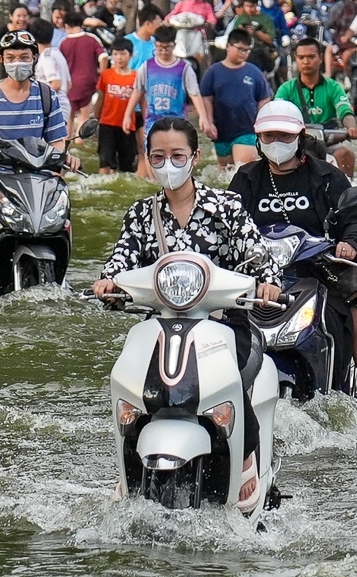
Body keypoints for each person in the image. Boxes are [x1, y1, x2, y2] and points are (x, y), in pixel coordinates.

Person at [91, 117, 282, 513]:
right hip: (160, 324)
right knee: (130, 380)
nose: (168, 164)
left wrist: (266, 283)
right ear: (148, 159)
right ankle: (127, 467)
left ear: (195, 157)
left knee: (237, 376)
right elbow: (120, 262)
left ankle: (245, 459)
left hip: (226, 323)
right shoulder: (142, 215)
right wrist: (108, 284)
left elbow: (259, 258)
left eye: (177, 155)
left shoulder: (225, 207)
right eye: (158, 156)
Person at [229, 101, 357, 408]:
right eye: (269, 136)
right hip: (258, 275)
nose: (276, 143)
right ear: (258, 138)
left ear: (300, 136)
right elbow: (228, 224)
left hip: (318, 270)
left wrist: (350, 243)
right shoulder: (246, 178)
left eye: (284, 136)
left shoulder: (327, 177)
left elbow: (352, 218)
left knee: (352, 312)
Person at [0, 30, 69, 290]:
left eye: (24, 56)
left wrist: (61, 162)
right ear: (1, 59)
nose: (18, 62)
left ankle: (62, 272)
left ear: (34, 58)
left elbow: (57, 140)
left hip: (38, 170)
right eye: (11, 57)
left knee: (63, 202)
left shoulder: (46, 96)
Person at [124, 27, 214, 180]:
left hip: (176, 122)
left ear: (174, 45)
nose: (163, 51)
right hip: (153, 121)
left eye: (167, 47)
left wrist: (203, 118)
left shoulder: (184, 68)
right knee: (152, 158)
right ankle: (155, 184)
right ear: (155, 45)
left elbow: (194, 94)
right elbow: (137, 91)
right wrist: (127, 115)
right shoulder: (147, 67)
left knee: (176, 157)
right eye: (159, 47)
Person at [273, 37, 357, 176]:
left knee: (345, 154)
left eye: (311, 57)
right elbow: (277, 113)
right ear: (296, 59)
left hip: (329, 139)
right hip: (297, 140)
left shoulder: (334, 87)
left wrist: (351, 128)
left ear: (320, 58)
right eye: (301, 57)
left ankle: (346, 192)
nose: (306, 62)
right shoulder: (286, 88)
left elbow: (345, 110)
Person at [199, 28, 272, 168]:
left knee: (243, 170)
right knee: (224, 173)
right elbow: (206, 98)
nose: (244, 54)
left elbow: (264, 98)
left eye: (247, 50)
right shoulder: (213, 72)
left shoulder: (254, 72)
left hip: (247, 129)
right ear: (228, 46)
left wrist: (261, 122)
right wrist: (209, 121)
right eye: (240, 49)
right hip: (221, 131)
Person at [84, 39, 141, 175]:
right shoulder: (106, 75)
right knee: (105, 161)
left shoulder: (136, 77)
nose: (119, 58)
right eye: (115, 54)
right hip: (107, 124)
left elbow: (143, 102)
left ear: (131, 55)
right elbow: (100, 99)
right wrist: (94, 121)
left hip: (127, 126)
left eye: (123, 54)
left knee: (126, 164)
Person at [59, 9, 106, 117]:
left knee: (68, 118)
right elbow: (103, 57)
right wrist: (102, 77)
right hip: (88, 83)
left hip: (69, 85)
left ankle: (69, 135)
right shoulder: (92, 39)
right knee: (84, 117)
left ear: (66, 26)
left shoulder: (63, 43)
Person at [30, 18, 73, 123]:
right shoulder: (57, 53)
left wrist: (41, 102)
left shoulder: (46, 57)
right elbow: (69, 84)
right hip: (63, 105)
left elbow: (56, 83)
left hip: (52, 108)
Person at [126, 4, 164, 70]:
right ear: (148, 23)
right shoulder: (127, 41)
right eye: (158, 24)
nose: (160, 28)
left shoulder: (157, 43)